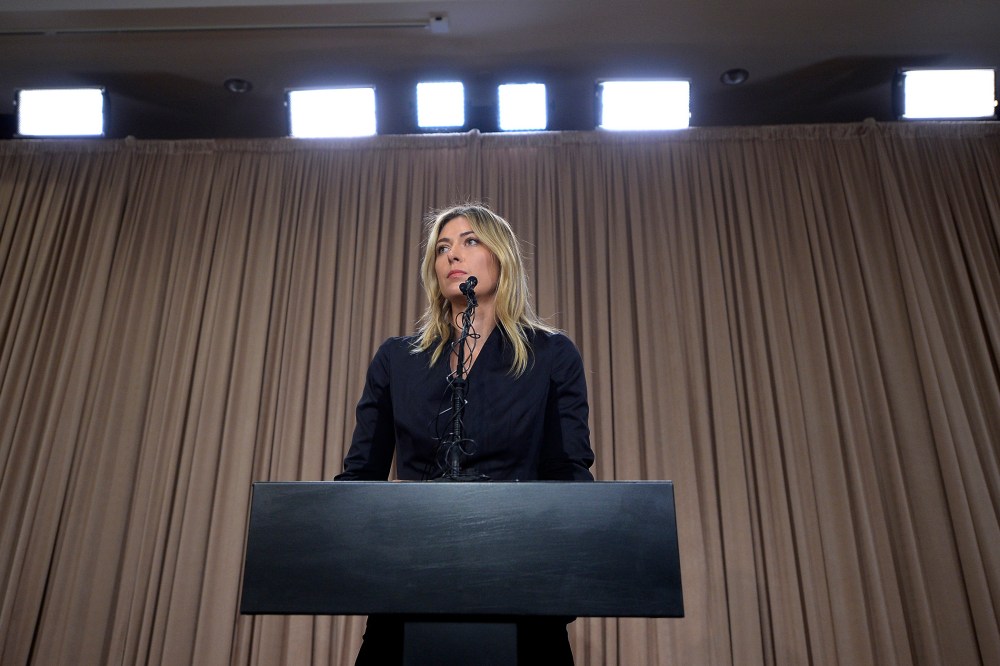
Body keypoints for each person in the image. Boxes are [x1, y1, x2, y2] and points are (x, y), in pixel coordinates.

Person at [336, 203, 595, 664]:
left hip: (519, 583)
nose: (452, 255)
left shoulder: (551, 355)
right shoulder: (397, 359)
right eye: (442, 248)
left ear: (501, 257)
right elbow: (360, 476)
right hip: (412, 579)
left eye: (470, 241)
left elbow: (567, 475)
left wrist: (561, 585)